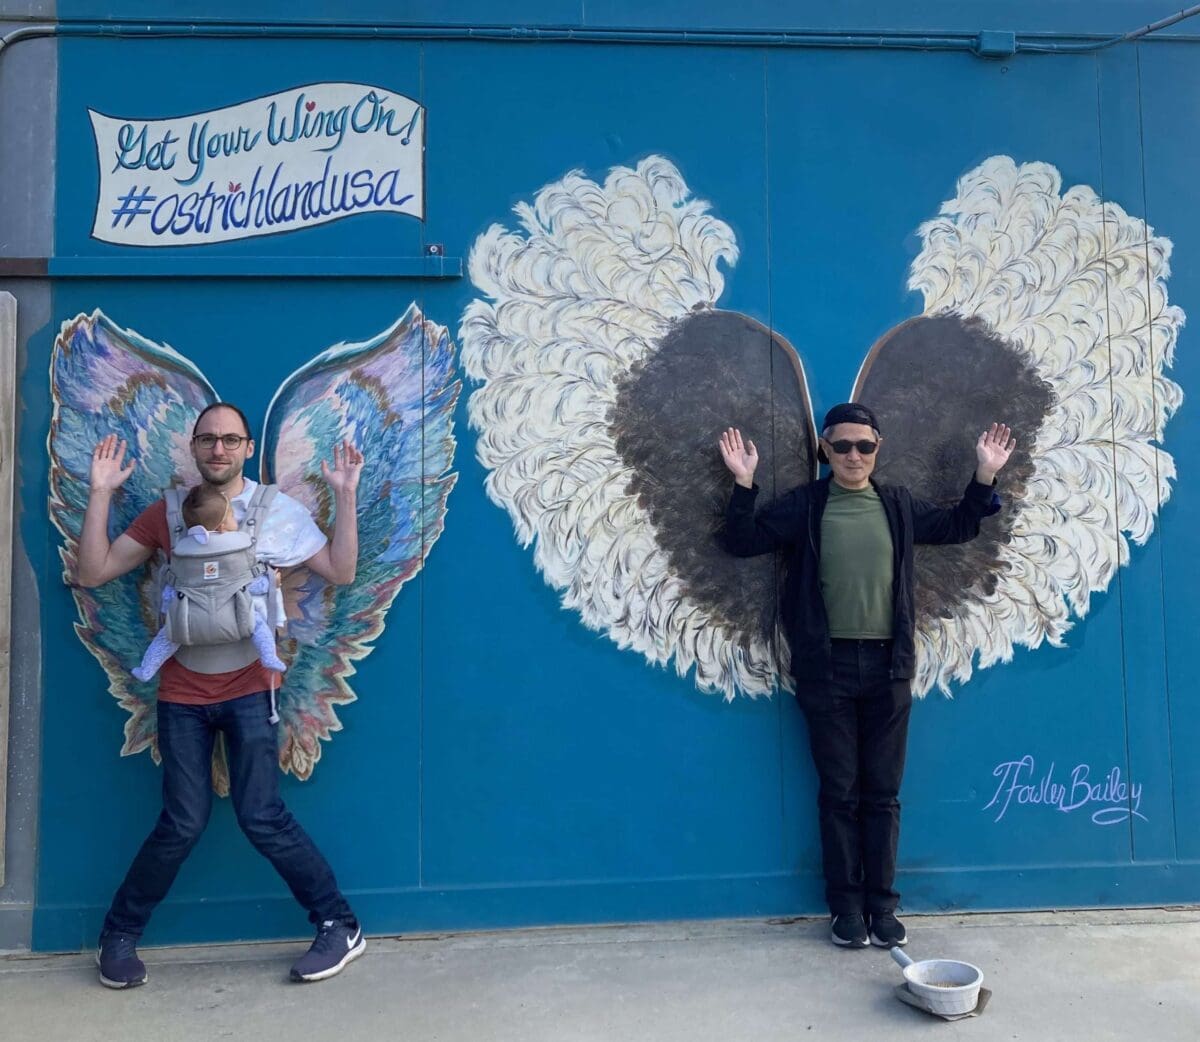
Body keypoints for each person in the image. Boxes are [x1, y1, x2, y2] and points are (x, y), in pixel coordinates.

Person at [78, 402, 366, 988]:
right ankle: (119, 936)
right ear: (192, 446)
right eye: (207, 440)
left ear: (247, 447)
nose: (218, 449)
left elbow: (339, 570)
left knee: (262, 815)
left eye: (230, 440)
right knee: (182, 821)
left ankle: (339, 924)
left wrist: (347, 495)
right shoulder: (169, 515)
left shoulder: (275, 512)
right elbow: (95, 571)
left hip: (251, 689)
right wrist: (101, 493)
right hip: (182, 690)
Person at [719, 403, 1015, 949]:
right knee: (839, 793)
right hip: (825, 669)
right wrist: (744, 483)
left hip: (889, 667)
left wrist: (985, 474)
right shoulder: (807, 506)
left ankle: (882, 907)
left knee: (882, 794)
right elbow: (741, 541)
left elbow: (958, 526)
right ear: (825, 451)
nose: (854, 455)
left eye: (865, 446)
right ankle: (846, 909)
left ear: (878, 449)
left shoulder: (897, 504)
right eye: (842, 446)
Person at [132, 484, 287, 683]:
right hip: (236, 616)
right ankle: (269, 656)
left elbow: (173, 586)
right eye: (231, 516)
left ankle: (147, 668)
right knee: (258, 626)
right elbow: (249, 585)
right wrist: (270, 584)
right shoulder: (234, 550)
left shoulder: (183, 551)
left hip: (189, 618)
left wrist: (167, 605)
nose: (235, 521)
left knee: (167, 637)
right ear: (222, 526)